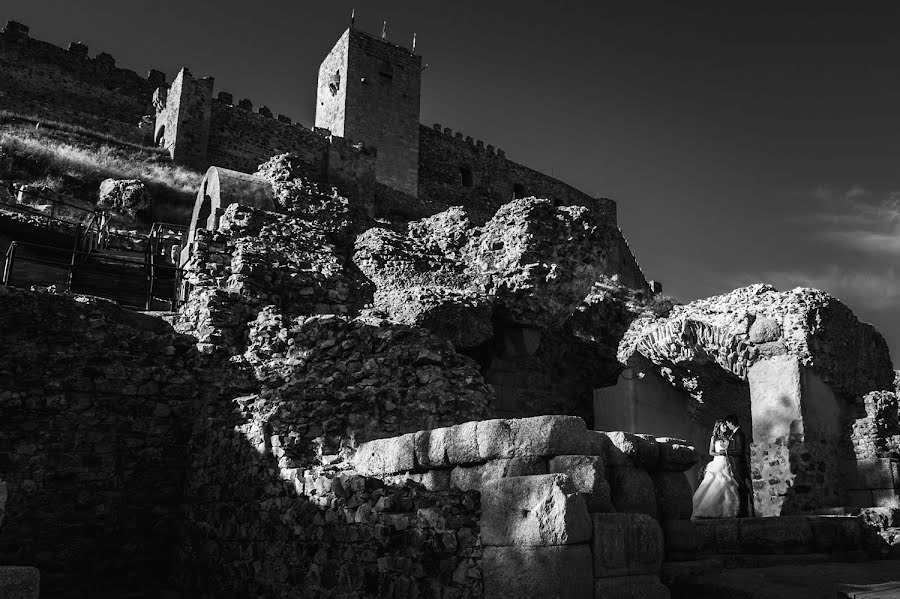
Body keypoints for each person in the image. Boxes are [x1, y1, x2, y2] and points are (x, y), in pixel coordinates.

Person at [691, 419, 741, 519]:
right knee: (716, 483)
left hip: (726, 462)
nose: (725, 427)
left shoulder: (728, 437)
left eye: (725, 426)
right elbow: (711, 452)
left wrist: (727, 454)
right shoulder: (714, 438)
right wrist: (720, 454)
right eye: (723, 425)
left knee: (728, 484)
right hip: (718, 461)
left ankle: (726, 510)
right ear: (718, 426)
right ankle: (710, 509)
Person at [723, 413, 754, 517]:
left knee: (742, 487)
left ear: (731, 423)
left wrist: (727, 452)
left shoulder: (739, 434)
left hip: (739, 464)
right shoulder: (734, 434)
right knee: (740, 487)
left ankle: (744, 511)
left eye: (727, 423)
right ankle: (743, 509)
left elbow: (740, 451)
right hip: (736, 464)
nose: (727, 425)